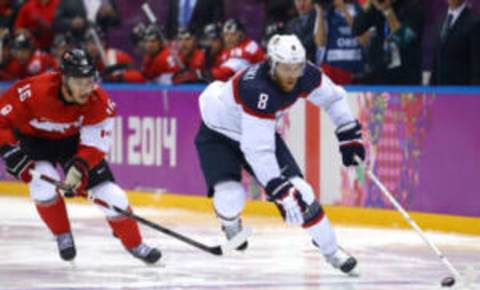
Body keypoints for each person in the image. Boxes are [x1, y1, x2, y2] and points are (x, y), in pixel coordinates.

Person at [195, 34, 365, 274]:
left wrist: (349, 133)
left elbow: (334, 98)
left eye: (297, 67)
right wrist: (278, 188)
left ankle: (331, 250)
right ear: (272, 64)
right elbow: (257, 150)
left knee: (303, 193)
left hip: (257, 130)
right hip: (218, 133)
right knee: (231, 196)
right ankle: (230, 223)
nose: (292, 75)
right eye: (286, 68)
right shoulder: (257, 88)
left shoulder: (306, 74)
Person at [0, 49, 161, 264]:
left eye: (90, 80)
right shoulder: (33, 91)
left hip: (73, 144)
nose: (86, 87)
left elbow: (94, 147)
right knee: (42, 182)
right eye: (79, 81)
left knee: (113, 196)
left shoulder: (99, 102)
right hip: (34, 140)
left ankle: (135, 244)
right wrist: (9, 151)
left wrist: (78, 170)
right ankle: (62, 234)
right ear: (64, 78)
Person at [352, 0, 424, 85]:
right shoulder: (378, 5)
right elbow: (357, 28)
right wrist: (370, 4)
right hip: (379, 72)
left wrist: (387, 11)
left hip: (406, 76)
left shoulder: (414, 6)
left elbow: (402, 38)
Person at [430, 0, 480, 85]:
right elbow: (436, 60)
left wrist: (474, 95)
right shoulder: (440, 20)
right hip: (439, 91)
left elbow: (477, 65)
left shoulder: (475, 23)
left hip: (462, 91)